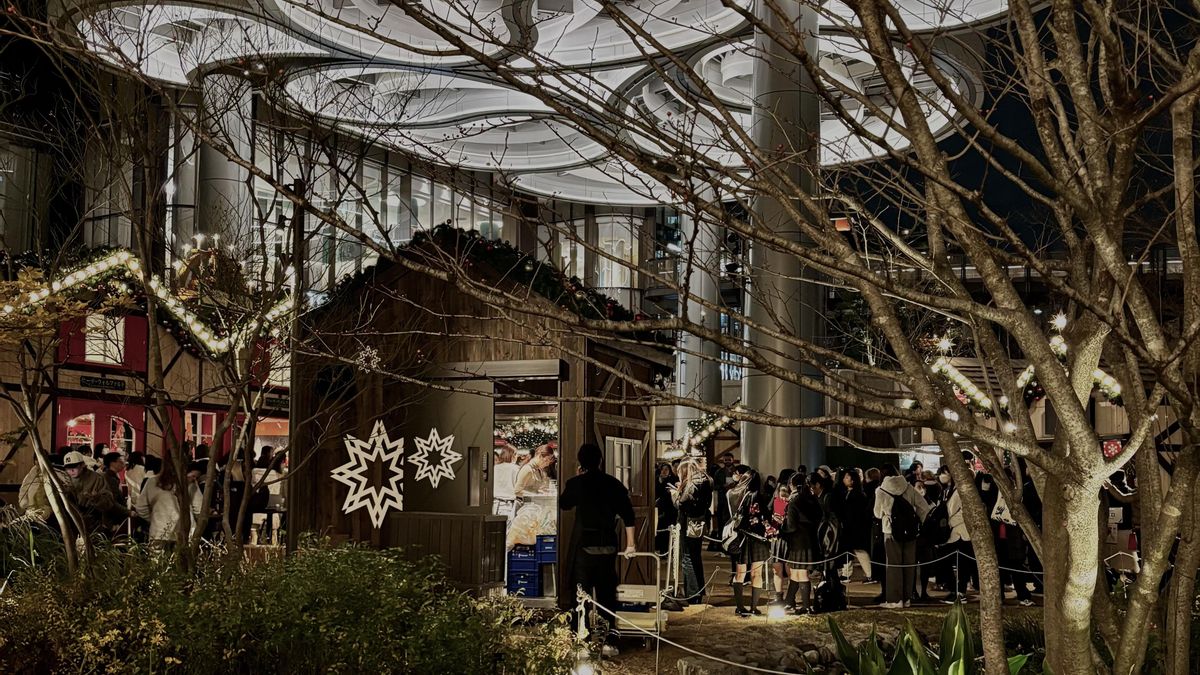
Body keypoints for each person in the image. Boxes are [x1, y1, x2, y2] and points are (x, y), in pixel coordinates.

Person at [559, 443, 636, 644]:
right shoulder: (613, 484)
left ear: (580, 462)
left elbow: (564, 504)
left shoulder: (576, 483)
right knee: (607, 594)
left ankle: (581, 636)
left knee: (580, 594)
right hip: (608, 545)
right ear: (600, 460)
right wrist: (631, 544)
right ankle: (608, 637)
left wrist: (578, 478)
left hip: (584, 546)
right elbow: (628, 515)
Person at [874, 464, 931, 608]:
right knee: (909, 564)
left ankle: (895, 599)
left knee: (893, 565)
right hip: (910, 530)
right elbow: (923, 506)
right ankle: (907, 598)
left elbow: (877, 513)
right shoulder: (908, 487)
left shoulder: (881, 490)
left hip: (890, 530)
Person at [726, 465, 770, 617]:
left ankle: (739, 607)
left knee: (739, 573)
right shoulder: (757, 496)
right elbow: (764, 516)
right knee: (756, 573)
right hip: (756, 538)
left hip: (739, 537)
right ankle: (753, 607)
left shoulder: (731, 493)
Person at [134, 451, 203, 547]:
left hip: (158, 532)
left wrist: (154, 518)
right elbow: (199, 509)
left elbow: (140, 508)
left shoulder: (151, 482)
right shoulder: (189, 484)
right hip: (184, 532)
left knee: (157, 556)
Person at [671, 455, 712, 604]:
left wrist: (674, 494)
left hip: (687, 523)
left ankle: (692, 594)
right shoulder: (706, 480)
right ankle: (698, 591)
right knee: (695, 557)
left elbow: (681, 504)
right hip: (699, 522)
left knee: (687, 558)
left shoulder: (691, 484)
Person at [780, 471, 821, 613]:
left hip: (798, 540)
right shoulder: (812, 498)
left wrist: (782, 525)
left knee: (801, 573)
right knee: (797, 572)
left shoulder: (794, 501)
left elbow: (791, 526)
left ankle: (806, 606)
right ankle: (796, 603)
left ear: (791, 485)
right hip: (810, 538)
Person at [62, 450, 129, 536]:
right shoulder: (64, 478)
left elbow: (109, 502)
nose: (71, 471)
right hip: (70, 523)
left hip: (93, 524)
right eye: (68, 468)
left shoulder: (96, 479)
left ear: (82, 465)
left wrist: (96, 498)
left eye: (74, 467)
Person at [836, 469, 874, 583]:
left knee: (859, 551)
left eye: (847, 477)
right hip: (849, 527)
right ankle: (846, 574)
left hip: (856, 527)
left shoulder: (858, 495)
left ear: (853, 480)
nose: (844, 479)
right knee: (848, 550)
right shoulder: (848, 493)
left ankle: (869, 574)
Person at [492, 445, 520, 521]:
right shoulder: (515, 469)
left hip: (494, 504)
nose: (517, 457)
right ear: (512, 455)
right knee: (507, 527)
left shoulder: (494, 468)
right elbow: (518, 488)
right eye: (516, 455)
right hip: (507, 505)